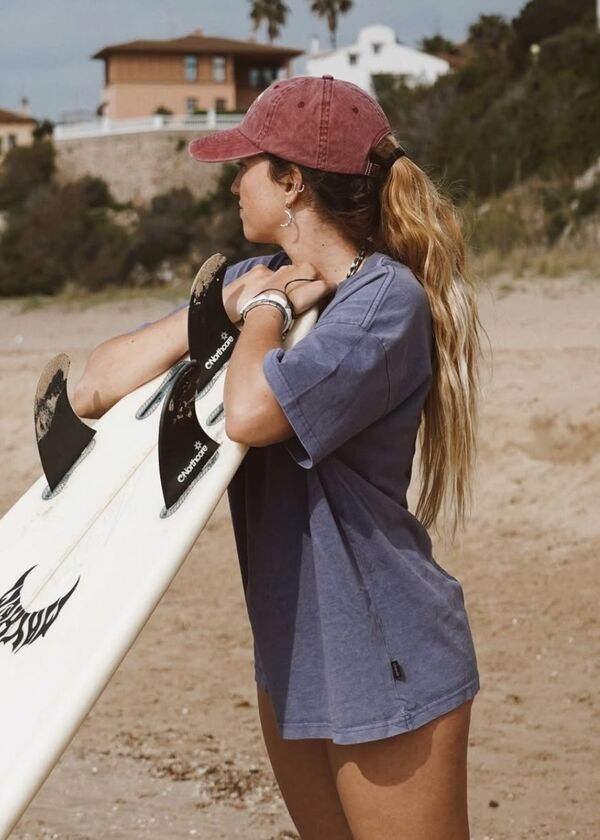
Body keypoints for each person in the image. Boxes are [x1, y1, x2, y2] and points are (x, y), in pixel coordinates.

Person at [74, 75, 484, 840]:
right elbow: (94, 385)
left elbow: (253, 412)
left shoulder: (382, 302)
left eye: (246, 166)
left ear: (292, 181)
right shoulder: (251, 281)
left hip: (384, 649)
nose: (233, 183)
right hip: (294, 651)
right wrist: (231, 305)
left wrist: (263, 312)